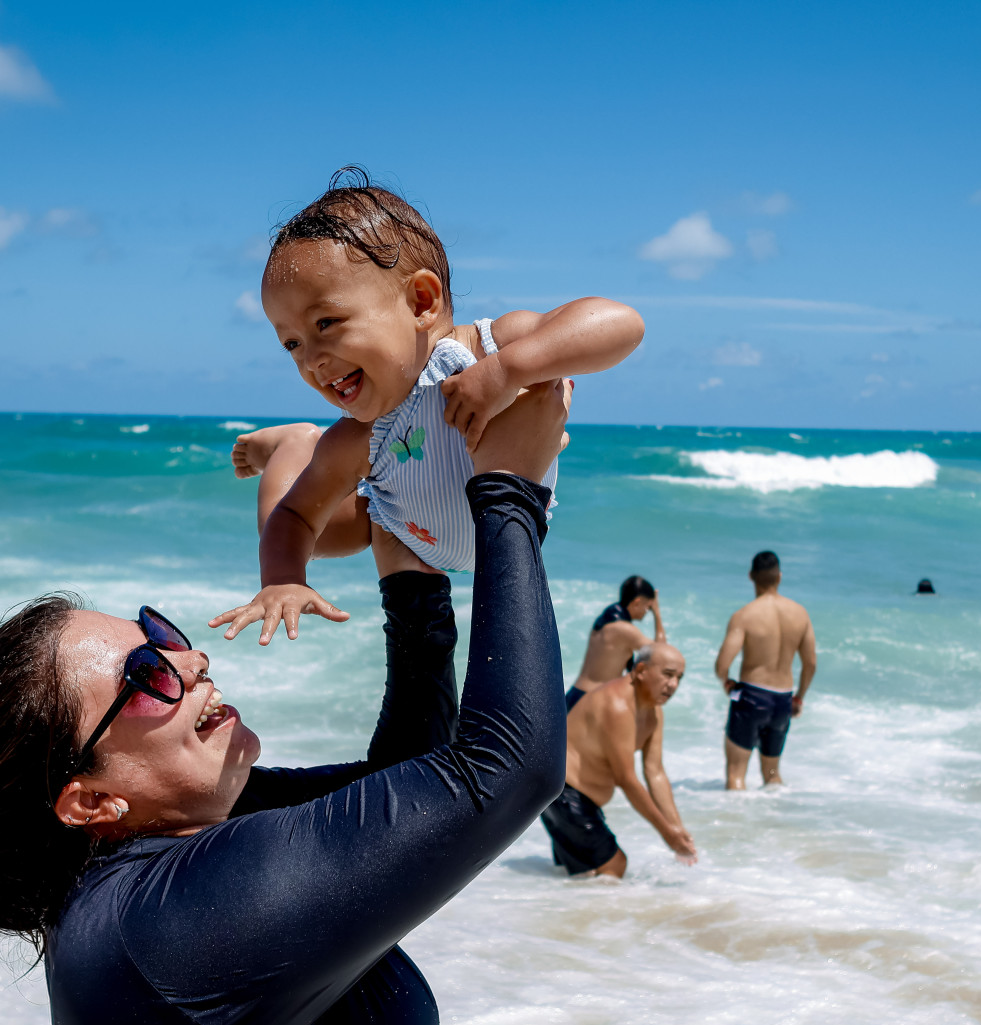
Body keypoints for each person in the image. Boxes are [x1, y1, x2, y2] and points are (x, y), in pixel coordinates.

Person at [0, 403, 569, 1025]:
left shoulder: (175, 851)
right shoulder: (168, 925)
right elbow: (506, 768)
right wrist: (507, 493)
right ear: (90, 799)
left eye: (161, 636)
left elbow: (418, 777)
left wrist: (407, 558)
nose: (190, 664)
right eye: (146, 678)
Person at [211, 169, 644, 644]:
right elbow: (291, 519)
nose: (311, 359)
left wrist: (509, 371)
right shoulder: (357, 438)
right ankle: (291, 446)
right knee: (315, 531)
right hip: (401, 524)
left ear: (421, 301)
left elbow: (622, 325)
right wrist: (282, 580)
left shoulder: (488, 349)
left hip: (444, 530)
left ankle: (294, 444)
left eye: (327, 322)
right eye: (291, 343)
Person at [544, 643, 697, 877]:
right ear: (641, 670)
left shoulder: (653, 711)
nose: (674, 685)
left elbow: (655, 772)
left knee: (575, 877)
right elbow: (626, 779)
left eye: (679, 678)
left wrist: (677, 828)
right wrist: (667, 835)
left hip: (577, 800)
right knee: (614, 865)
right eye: (668, 675)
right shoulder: (617, 705)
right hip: (563, 794)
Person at [716, 550, 817, 789]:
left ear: (751, 576)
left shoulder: (744, 616)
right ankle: (774, 821)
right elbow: (810, 664)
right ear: (779, 577)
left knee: (736, 774)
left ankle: (736, 824)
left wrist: (726, 682)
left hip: (751, 698)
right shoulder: (800, 614)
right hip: (782, 701)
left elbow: (722, 664)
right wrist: (799, 697)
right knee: (772, 774)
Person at [567, 575, 665, 709]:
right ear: (637, 602)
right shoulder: (625, 630)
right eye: (648, 607)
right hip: (594, 702)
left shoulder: (606, 619)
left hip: (575, 696)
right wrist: (657, 613)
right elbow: (662, 652)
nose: (647, 611)